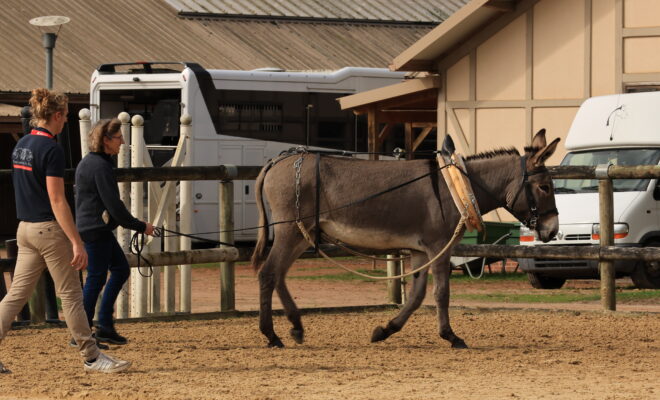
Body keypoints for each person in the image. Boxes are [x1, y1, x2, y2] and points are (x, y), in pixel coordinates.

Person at [0, 88, 130, 374]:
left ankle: (92, 354)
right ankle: (92, 356)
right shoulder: (51, 149)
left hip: (25, 228)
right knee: (71, 295)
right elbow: (57, 200)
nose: (66, 122)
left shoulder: (21, 145)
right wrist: (76, 241)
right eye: (66, 117)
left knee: (16, 295)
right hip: (48, 230)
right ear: (56, 116)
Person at [75, 118, 154, 345]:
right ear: (106, 140)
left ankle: (104, 325)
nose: (122, 142)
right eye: (119, 138)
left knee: (119, 269)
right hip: (95, 229)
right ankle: (82, 331)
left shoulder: (95, 162)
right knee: (97, 278)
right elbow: (115, 206)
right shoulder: (100, 166)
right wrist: (142, 226)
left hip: (95, 228)